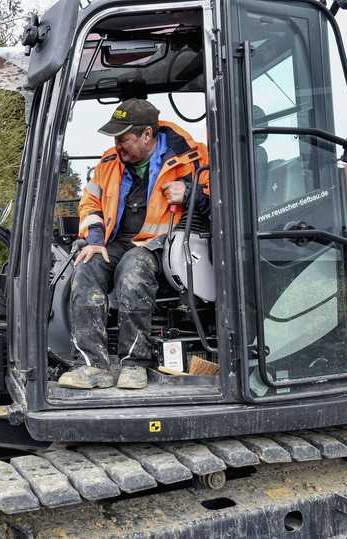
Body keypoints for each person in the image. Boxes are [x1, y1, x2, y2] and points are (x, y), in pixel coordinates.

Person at [59, 98, 209, 391]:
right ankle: (93, 366)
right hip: (116, 244)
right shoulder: (107, 164)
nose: (118, 145)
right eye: (115, 138)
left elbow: (221, 201)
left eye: (123, 138)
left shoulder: (192, 158)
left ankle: (134, 364)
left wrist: (191, 193)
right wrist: (94, 240)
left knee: (134, 266)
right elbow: (90, 205)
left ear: (147, 135)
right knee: (87, 266)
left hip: (164, 248)